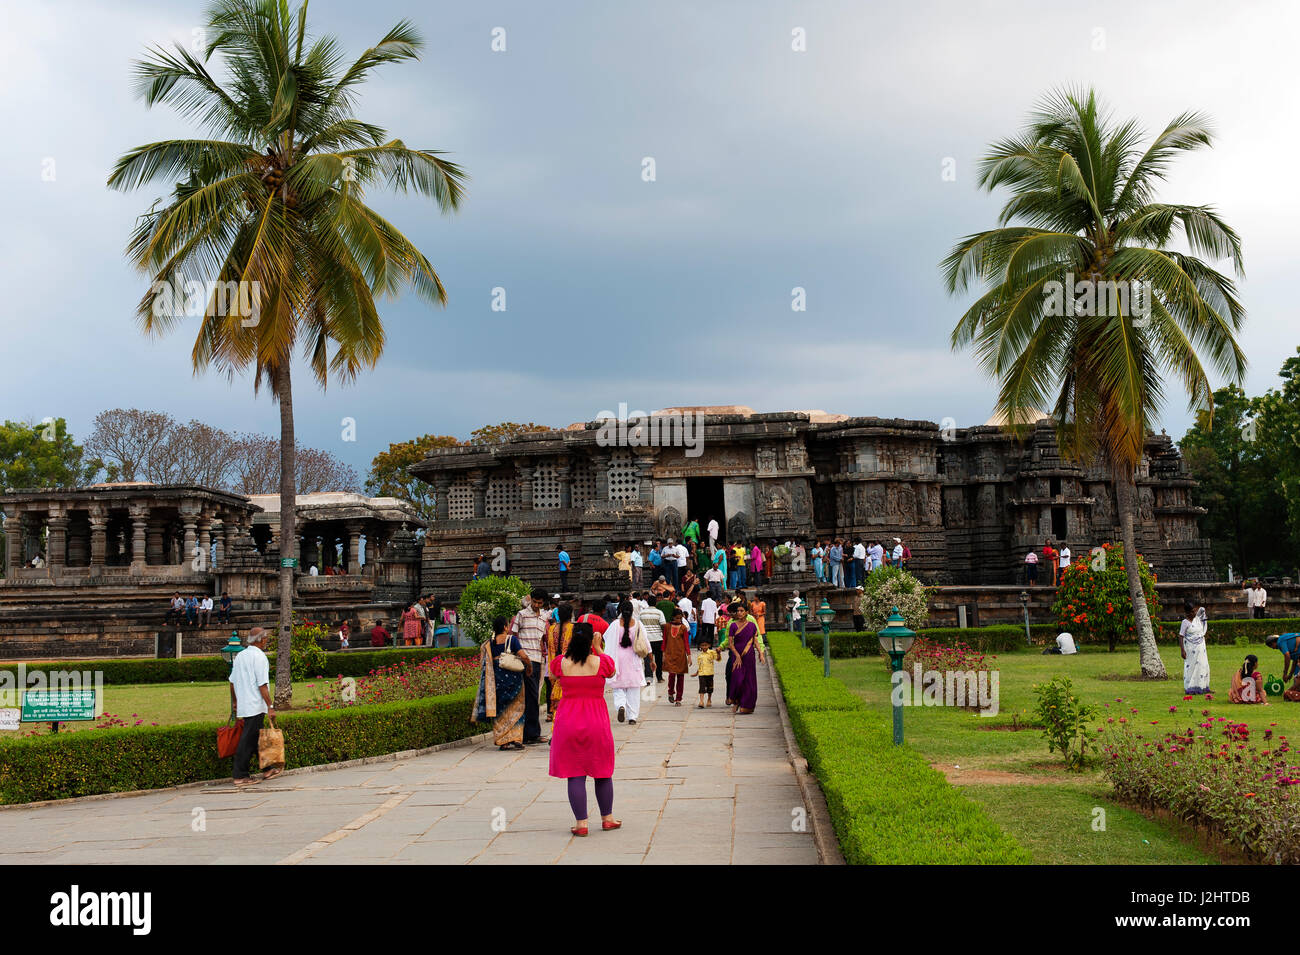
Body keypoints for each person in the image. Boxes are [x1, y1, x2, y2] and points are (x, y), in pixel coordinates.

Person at [548, 621, 619, 836]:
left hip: (568, 720)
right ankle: (607, 818)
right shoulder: (601, 662)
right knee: (602, 772)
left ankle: (581, 824)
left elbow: (552, 677)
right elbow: (612, 671)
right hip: (596, 721)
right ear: (592, 640)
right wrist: (598, 648)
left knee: (575, 773)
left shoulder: (561, 663)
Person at [229, 627, 277, 787]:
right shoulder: (260, 657)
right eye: (265, 638)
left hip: (245, 703)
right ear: (260, 640)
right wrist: (270, 706)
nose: (266, 641)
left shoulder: (240, 656)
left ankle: (268, 768)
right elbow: (262, 685)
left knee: (255, 737)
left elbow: (232, 682)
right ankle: (240, 775)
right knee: (248, 740)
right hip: (256, 704)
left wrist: (236, 701)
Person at [474, 614, 529, 750]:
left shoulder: (488, 644)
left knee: (500, 709)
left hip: (496, 681)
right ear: (505, 627)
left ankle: (502, 740)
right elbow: (523, 656)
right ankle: (516, 738)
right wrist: (529, 666)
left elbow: (484, 663)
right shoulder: (512, 640)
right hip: (513, 680)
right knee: (516, 707)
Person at [509, 589, 551, 745]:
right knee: (531, 696)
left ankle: (529, 732)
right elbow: (512, 636)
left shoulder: (543, 618)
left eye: (539, 603)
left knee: (533, 696)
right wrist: (520, 655)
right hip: (526, 659)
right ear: (531, 600)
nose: (536, 605)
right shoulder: (522, 615)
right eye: (534, 602)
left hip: (538, 659)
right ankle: (531, 733)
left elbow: (542, 640)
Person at [608, 600, 652, 723]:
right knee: (633, 689)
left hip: (618, 659)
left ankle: (621, 705)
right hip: (633, 659)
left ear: (620, 610)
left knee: (618, 687)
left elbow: (607, 638)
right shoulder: (638, 624)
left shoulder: (615, 624)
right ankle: (632, 717)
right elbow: (646, 643)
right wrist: (652, 660)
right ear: (633, 611)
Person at [722, 601, 764, 714]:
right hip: (737, 654)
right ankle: (736, 701)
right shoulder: (732, 625)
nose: (739, 613)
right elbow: (730, 643)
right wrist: (737, 656)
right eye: (738, 611)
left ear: (746, 612)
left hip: (749, 655)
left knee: (748, 680)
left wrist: (761, 653)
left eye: (742, 611)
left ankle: (746, 705)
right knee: (737, 679)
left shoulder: (752, 625)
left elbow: (755, 640)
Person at [1178, 599, 1210, 696]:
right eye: (1192, 611)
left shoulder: (1197, 620)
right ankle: (1191, 687)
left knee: (1203, 665)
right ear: (1187, 612)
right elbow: (1181, 636)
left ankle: (1203, 687)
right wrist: (1182, 650)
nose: (1194, 613)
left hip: (1201, 648)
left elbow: (1202, 612)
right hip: (1191, 649)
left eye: (1194, 611)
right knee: (1192, 667)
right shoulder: (1185, 622)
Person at [663, 609, 692, 705]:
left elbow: (686, 643)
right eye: (677, 618)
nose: (679, 620)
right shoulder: (667, 626)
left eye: (680, 618)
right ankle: (670, 692)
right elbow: (664, 641)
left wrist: (689, 656)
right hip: (670, 653)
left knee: (680, 676)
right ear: (673, 617)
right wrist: (663, 654)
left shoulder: (683, 628)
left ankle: (678, 698)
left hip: (680, 655)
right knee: (671, 675)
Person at [639, 597, 666, 683]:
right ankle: (659, 677)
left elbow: (639, 625)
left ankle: (648, 678)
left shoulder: (642, 613)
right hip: (657, 638)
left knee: (647, 660)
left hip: (646, 639)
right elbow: (663, 625)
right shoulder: (659, 613)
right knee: (658, 659)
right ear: (656, 603)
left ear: (647, 602)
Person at [1264, 632, 1300, 697]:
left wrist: (1285, 674)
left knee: (1297, 679)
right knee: (1296, 677)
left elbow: (1287, 656)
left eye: (1271, 646)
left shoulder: (1280, 641)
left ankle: (1288, 692)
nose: (1273, 648)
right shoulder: (1285, 639)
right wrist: (1290, 674)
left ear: (1273, 642)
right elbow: (1295, 661)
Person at [692, 636, 720, 708]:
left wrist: (718, 653)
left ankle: (709, 699)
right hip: (702, 674)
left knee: (710, 688)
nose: (704, 647)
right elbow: (700, 665)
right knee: (702, 688)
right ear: (700, 646)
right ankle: (701, 701)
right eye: (702, 645)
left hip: (710, 673)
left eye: (706, 645)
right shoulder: (700, 655)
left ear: (709, 645)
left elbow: (718, 659)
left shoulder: (712, 652)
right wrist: (697, 672)